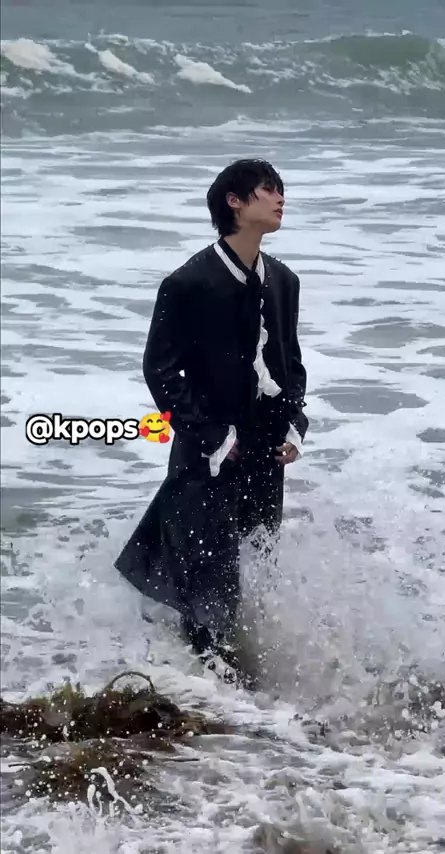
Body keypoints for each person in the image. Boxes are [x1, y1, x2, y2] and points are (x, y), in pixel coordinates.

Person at [114, 158, 308, 685]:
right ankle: (206, 690)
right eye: (268, 189)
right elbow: (160, 369)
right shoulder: (187, 283)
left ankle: (242, 683)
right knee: (205, 569)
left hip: (266, 449)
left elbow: (290, 364)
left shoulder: (284, 281)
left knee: (255, 558)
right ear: (234, 202)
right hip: (209, 448)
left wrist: (295, 424)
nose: (280, 198)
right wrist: (210, 435)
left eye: (281, 190)